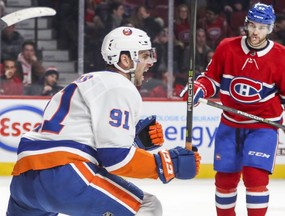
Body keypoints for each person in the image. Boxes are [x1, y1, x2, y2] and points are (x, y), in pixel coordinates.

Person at [6, 26, 200, 216]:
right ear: (125, 60)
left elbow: (78, 139)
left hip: (24, 180)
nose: (150, 62)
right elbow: (117, 160)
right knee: (147, 207)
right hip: (65, 176)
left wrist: (133, 142)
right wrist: (169, 163)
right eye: (143, 56)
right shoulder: (120, 86)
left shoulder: (84, 81)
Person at [181, 2, 285, 216]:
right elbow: (211, 79)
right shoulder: (227, 47)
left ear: (270, 29)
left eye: (262, 27)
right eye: (253, 25)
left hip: (262, 126)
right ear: (246, 24)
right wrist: (198, 90)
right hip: (230, 124)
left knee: (255, 176)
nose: (256, 31)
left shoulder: (282, 57)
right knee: (225, 180)